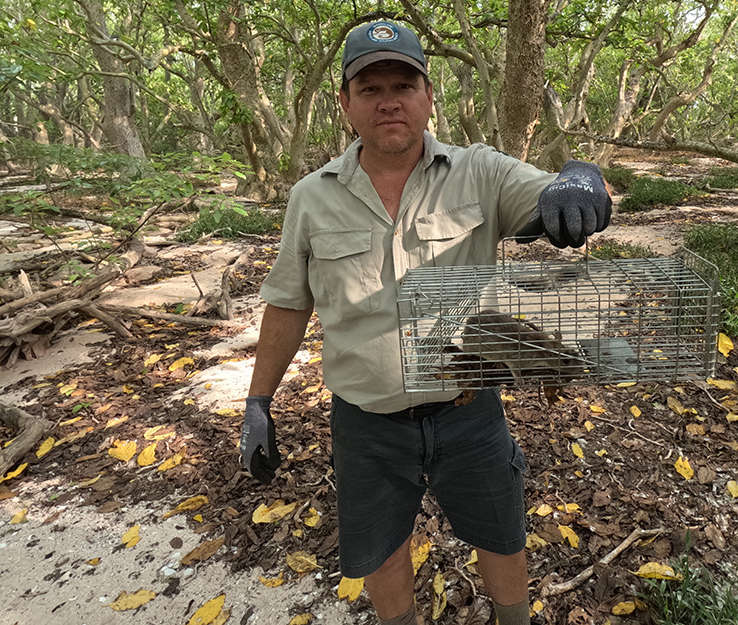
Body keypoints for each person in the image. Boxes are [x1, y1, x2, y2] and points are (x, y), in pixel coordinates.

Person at [240, 20, 611, 625]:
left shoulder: (480, 171)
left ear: (428, 96)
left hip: (469, 411)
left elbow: (553, 190)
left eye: (404, 85)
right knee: (383, 551)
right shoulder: (311, 196)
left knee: (502, 536)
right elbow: (288, 302)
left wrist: (580, 177)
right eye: (370, 88)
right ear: (345, 103)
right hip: (366, 424)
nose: (389, 100)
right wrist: (258, 402)